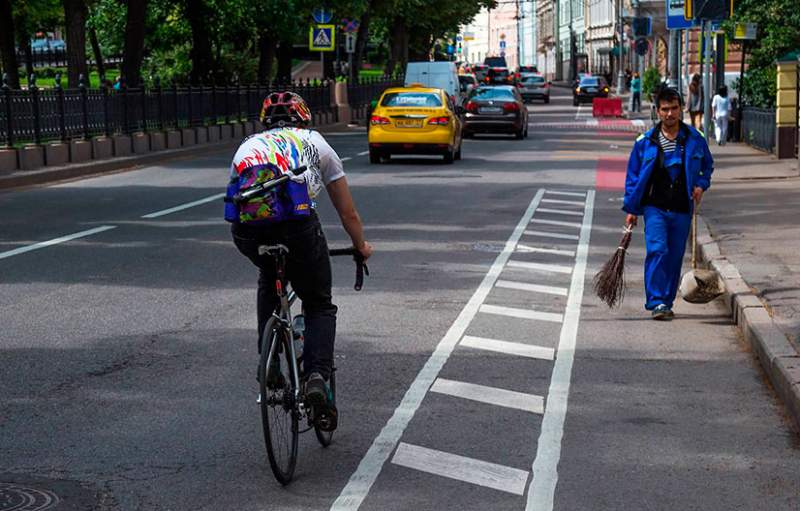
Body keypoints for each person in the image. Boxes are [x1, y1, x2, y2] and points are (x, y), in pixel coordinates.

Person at [226, 91, 372, 427]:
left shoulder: (247, 145)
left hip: (248, 233)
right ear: (303, 118)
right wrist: (360, 246)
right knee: (319, 303)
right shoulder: (315, 142)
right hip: (298, 231)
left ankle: (269, 360)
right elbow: (346, 211)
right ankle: (317, 376)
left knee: (268, 278)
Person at [622, 88, 714, 319]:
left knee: (674, 256)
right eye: (665, 109)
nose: (670, 113)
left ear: (681, 108)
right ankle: (656, 301)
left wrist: (701, 185)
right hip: (655, 208)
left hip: (683, 207)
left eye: (674, 108)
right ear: (658, 111)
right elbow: (633, 177)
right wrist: (632, 209)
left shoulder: (695, 139)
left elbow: (707, 167)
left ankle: (667, 300)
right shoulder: (645, 142)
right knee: (657, 250)